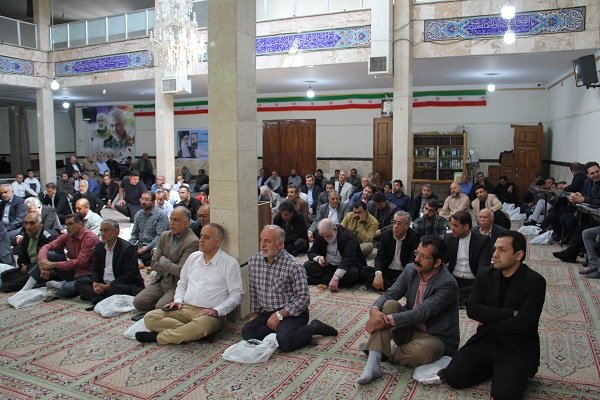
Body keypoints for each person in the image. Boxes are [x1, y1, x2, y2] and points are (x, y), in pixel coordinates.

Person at [440, 231, 547, 400]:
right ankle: (494, 369)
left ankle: (507, 372)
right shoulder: (485, 275)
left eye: (502, 250)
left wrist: (487, 320)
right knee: (453, 377)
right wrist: (508, 313)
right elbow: (472, 309)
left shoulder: (534, 282)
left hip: (516, 347)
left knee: (504, 395)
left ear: (518, 255)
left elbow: (523, 325)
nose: (495, 254)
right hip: (486, 340)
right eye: (495, 249)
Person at [356, 235, 459, 385]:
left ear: (437, 262)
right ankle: (373, 364)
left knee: (421, 352)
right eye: (417, 253)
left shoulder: (448, 284)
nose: (417, 259)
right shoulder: (411, 269)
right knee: (389, 304)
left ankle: (380, 351)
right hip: (409, 328)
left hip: (435, 337)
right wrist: (374, 311)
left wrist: (384, 320)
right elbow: (391, 293)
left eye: (423, 257)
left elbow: (422, 312)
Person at [137, 223, 244, 344]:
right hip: (185, 308)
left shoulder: (229, 263)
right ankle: (194, 334)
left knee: (201, 326)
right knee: (150, 317)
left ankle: (158, 338)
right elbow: (182, 283)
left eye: (206, 237)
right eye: (201, 236)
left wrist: (216, 310)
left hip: (210, 314)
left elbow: (237, 295)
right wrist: (178, 300)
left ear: (218, 242)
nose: (201, 240)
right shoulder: (194, 257)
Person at [241, 225, 338, 352]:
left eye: (268, 241)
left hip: (293, 313)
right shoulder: (254, 261)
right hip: (268, 311)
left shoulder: (293, 265)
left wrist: (279, 315)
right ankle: (296, 335)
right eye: (261, 240)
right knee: (248, 333)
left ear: (280, 245)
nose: (262, 245)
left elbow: (303, 298)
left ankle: (313, 328)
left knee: (284, 343)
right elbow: (254, 290)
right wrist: (255, 314)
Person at [14, 213, 99, 299]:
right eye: (66, 224)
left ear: (80, 224)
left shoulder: (90, 239)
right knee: (49, 255)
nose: (67, 227)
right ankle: (26, 288)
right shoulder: (68, 235)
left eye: (70, 224)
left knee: (64, 290)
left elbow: (79, 262)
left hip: (87, 275)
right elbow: (46, 247)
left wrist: (53, 265)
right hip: (73, 272)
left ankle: (61, 284)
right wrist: (44, 264)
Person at [132, 207, 199, 312]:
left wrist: (163, 261)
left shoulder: (192, 242)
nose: (172, 223)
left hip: (176, 285)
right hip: (161, 280)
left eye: (176, 220)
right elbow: (153, 263)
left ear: (186, 223)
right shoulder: (165, 235)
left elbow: (180, 271)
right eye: (171, 219)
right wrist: (169, 269)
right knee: (138, 302)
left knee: (160, 308)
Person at [74, 219, 145, 305]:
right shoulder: (100, 246)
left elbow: (130, 275)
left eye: (106, 230)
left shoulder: (128, 248)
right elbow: (95, 268)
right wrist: (95, 283)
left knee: (120, 289)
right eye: (101, 230)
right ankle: (103, 297)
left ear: (116, 232)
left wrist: (107, 286)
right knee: (79, 284)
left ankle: (98, 297)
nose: (102, 233)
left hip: (120, 283)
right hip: (103, 282)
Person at [360, 211, 419, 290]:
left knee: (414, 277)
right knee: (364, 270)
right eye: (394, 222)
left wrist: (405, 275)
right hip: (387, 270)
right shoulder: (386, 235)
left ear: (407, 226)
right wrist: (378, 274)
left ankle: (385, 286)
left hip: (403, 272)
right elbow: (379, 257)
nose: (395, 226)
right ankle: (396, 288)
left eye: (399, 224)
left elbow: (413, 261)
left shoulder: (414, 236)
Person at [0, 212, 57, 292]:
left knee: (7, 286)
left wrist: (28, 267)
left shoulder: (49, 237)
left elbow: (49, 260)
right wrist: (22, 265)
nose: (28, 227)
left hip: (42, 271)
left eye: (32, 223)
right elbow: (21, 256)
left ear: (40, 224)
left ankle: (39, 284)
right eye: (26, 223)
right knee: (4, 276)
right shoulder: (27, 235)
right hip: (27, 269)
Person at [445, 211, 492, 307]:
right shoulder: (449, 238)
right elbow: (442, 260)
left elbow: (483, 268)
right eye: (451, 225)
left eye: (455, 226)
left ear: (466, 227)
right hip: (454, 279)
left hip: (473, 281)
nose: (452, 228)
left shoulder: (483, 241)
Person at [304, 218, 364, 291]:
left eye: (328, 236)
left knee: (353, 274)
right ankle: (329, 280)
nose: (325, 238)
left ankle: (316, 280)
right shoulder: (322, 235)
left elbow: (347, 260)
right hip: (328, 266)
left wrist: (336, 277)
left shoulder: (348, 237)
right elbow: (311, 252)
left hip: (345, 267)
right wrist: (318, 258)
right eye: (323, 236)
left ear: (334, 229)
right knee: (307, 266)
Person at [129, 191, 169, 266]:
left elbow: (160, 236)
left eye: (147, 200)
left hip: (153, 247)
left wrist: (147, 247)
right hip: (140, 246)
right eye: (142, 199)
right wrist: (130, 246)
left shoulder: (161, 215)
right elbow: (134, 234)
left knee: (146, 257)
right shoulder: (138, 214)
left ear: (153, 202)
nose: (143, 202)